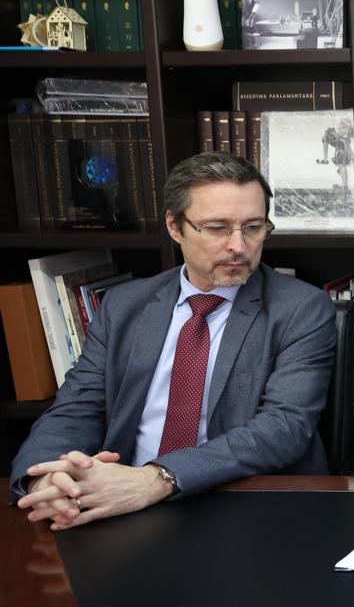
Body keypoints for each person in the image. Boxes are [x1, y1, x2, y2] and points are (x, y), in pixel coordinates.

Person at [10, 152, 336, 528]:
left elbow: (283, 428)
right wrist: (46, 479)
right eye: (217, 228)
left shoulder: (300, 308)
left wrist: (156, 479)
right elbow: (77, 408)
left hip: (241, 506)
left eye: (253, 227)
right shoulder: (124, 305)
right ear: (175, 226)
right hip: (118, 502)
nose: (238, 245)